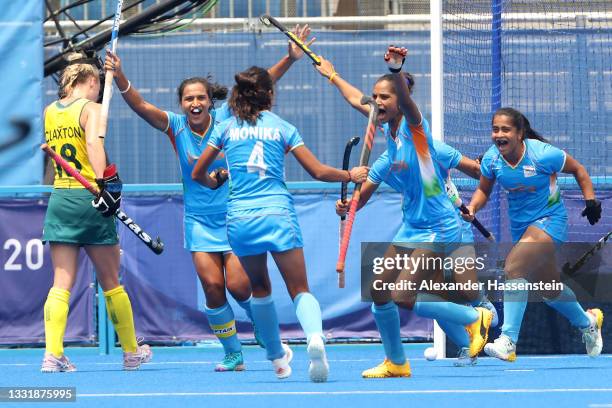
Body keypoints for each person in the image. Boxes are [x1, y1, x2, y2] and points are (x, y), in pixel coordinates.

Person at [104, 25, 315, 371]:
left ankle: (265, 333)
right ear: (182, 104)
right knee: (213, 288)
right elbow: (140, 105)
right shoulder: (174, 126)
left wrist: (289, 59)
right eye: (189, 98)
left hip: (234, 217)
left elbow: (256, 87)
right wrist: (121, 74)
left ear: (210, 101)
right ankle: (233, 353)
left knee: (239, 286)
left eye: (201, 97)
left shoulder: (226, 120)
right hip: (199, 222)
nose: (195, 103)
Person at [314, 46, 493, 377]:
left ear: (400, 100)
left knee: (403, 294)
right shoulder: (388, 138)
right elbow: (358, 101)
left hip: (440, 228)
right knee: (380, 290)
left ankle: (475, 318)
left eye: (386, 97)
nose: (378, 102)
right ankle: (396, 362)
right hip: (412, 227)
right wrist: (333, 75)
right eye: (376, 96)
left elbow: (409, 105)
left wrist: (396, 71)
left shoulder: (416, 131)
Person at [191, 66, 369, 382]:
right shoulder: (283, 128)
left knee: (260, 289)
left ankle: (277, 358)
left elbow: (197, 174)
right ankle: (314, 337)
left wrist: (214, 181)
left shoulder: (225, 129)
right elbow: (317, 171)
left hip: (241, 219)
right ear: (269, 96)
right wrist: (349, 175)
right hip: (278, 215)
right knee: (299, 288)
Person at [462, 107, 604, 361]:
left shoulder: (542, 154)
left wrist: (591, 200)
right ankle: (588, 322)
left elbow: (579, 170)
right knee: (549, 289)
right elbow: (484, 190)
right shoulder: (492, 160)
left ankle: (508, 340)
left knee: (513, 268)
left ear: (519, 133)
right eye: (495, 129)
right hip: (521, 229)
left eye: (505, 129)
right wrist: (472, 207)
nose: (499, 134)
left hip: (550, 221)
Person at [41, 52, 152, 372]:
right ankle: (132, 352)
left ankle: (53, 354)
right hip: (90, 197)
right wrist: (107, 184)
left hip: (61, 198)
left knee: (60, 281)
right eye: (97, 84)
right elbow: (93, 145)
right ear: (89, 81)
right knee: (110, 281)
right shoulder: (92, 108)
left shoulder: (50, 111)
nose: (98, 90)